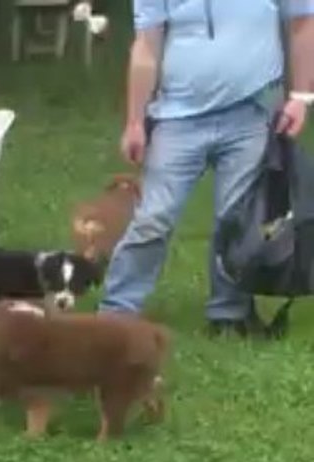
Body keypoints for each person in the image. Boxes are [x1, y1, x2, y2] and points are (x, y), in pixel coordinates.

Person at [100, 0, 313, 337]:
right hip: (176, 116)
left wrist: (302, 96)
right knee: (152, 218)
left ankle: (229, 315)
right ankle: (117, 313)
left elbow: (303, 21)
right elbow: (146, 46)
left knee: (238, 219)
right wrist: (135, 121)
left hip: (252, 109)